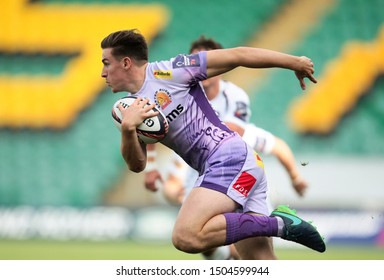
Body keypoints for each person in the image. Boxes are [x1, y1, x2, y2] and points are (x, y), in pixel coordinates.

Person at [100, 29, 325, 260]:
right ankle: (276, 223)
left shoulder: (170, 70)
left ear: (126, 62)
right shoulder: (128, 109)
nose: (102, 73)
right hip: (235, 165)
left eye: (106, 63)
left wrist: (294, 62)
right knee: (261, 266)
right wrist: (128, 130)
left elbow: (238, 55)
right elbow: (137, 165)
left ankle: (278, 224)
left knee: (185, 236)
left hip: (227, 158)